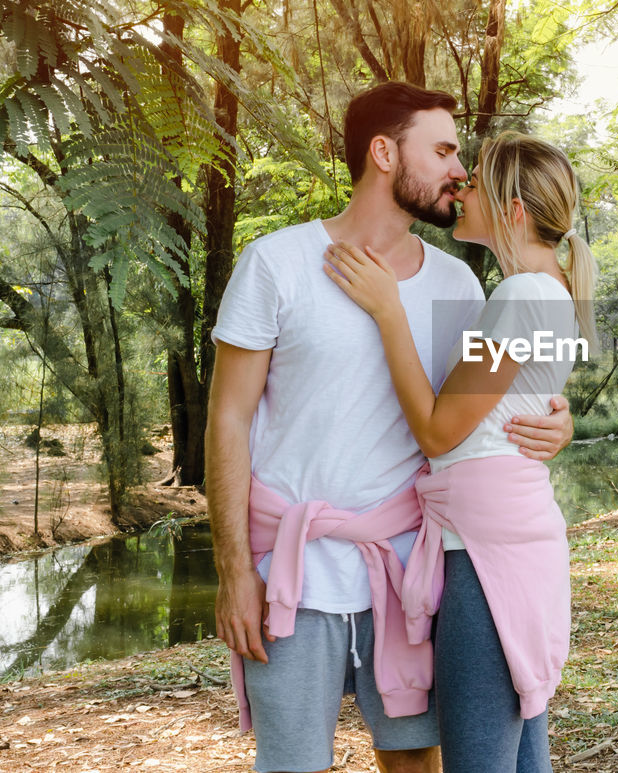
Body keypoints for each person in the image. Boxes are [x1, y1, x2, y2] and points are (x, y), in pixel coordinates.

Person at [206, 83, 574, 773]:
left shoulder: (462, 288)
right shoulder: (276, 262)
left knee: (415, 764)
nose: (459, 170)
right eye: (442, 150)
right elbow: (227, 418)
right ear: (383, 152)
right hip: (291, 570)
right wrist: (231, 569)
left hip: (412, 568)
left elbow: (486, 401)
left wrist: (558, 419)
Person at [322, 130, 594, 773]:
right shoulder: (543, 293)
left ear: (514, 211)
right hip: (502, 540)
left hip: (488, 553)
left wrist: (389, 311)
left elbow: (440, 432)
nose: (459, 188)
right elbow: (508, 412)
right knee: (522, 757)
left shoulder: (522, 296)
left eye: (474, 183)